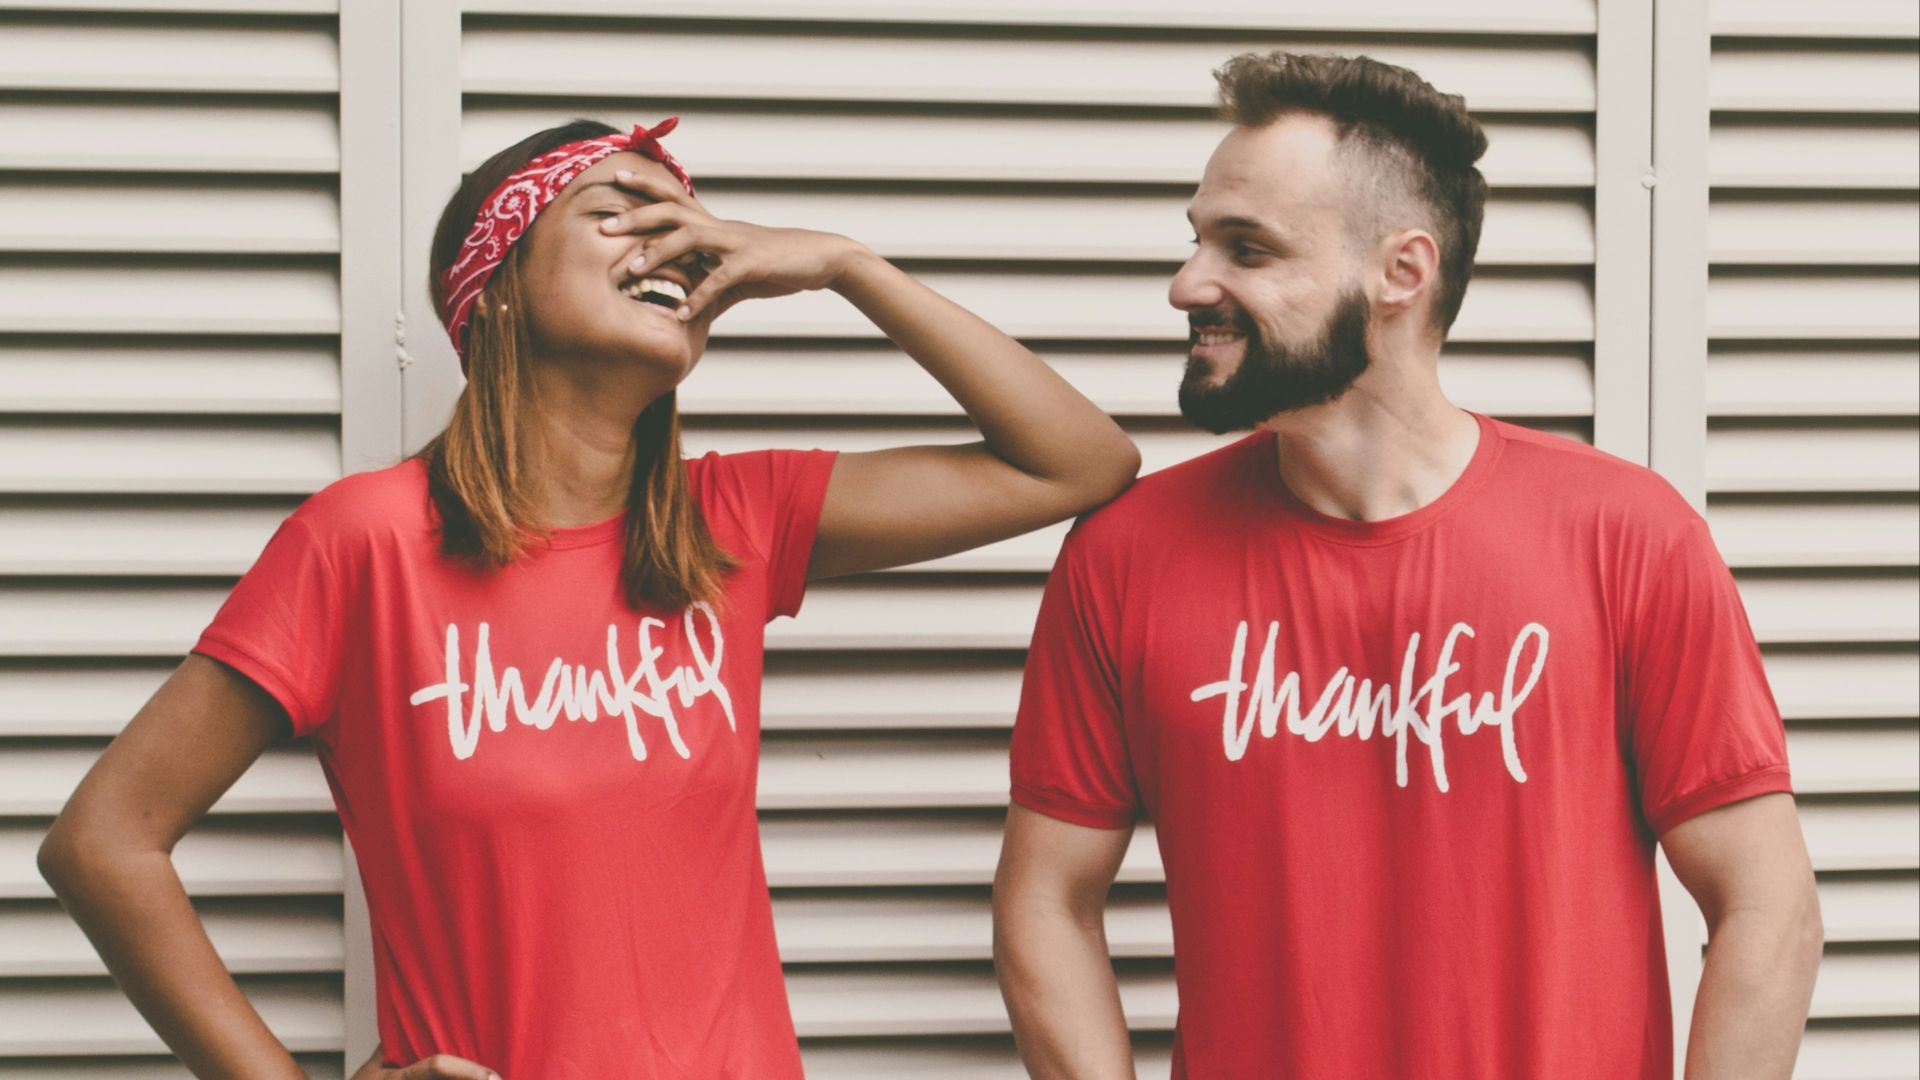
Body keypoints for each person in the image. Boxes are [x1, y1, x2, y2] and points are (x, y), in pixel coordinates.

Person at [37, 117, 1140, 1079]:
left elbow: (1078, 462)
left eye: (690, 226)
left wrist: (847, 267)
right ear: (497, 282)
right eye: (623, 212)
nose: (678, 244)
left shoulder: (731, 525)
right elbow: (104, 842)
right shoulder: (361, 543)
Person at [993, 52, 1823, 1080]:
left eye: (1245, 249)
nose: (1188, 284)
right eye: (1198, 240)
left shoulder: (1626, 536)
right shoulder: (1125, 557)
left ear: (1401, 272)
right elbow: (1046, 902)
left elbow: (1767, 905)